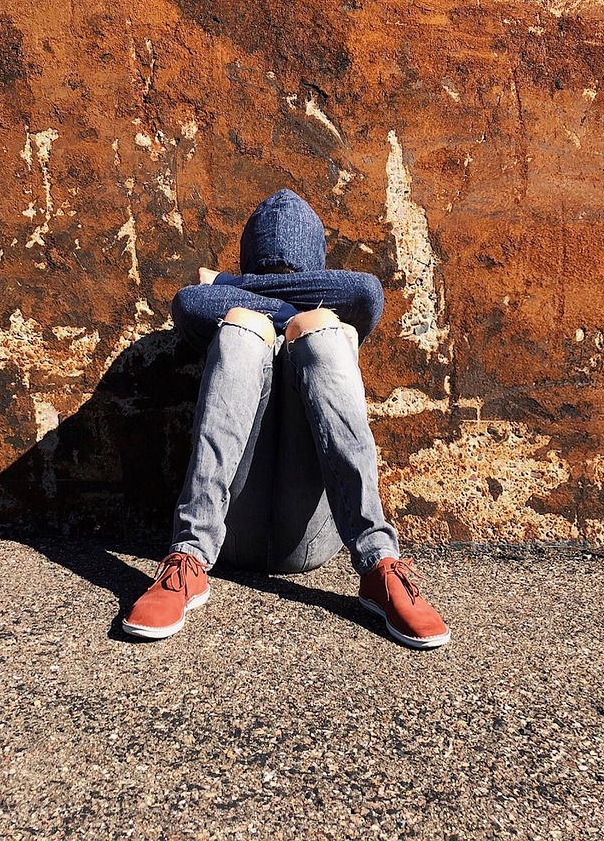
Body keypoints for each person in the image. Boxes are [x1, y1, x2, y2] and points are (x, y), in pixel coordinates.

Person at [121, 189, 450, 649]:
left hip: (311, 536)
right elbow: (190, 302)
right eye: (267, 277)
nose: (279, 283)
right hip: (231, 534)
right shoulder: (229, 316)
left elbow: (364, 292)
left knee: (323, 333)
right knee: (243, 329)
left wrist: (229, 284)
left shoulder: (305, 310)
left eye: (294, 278)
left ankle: (379, 563)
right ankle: (188, 558)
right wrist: (268, 309)